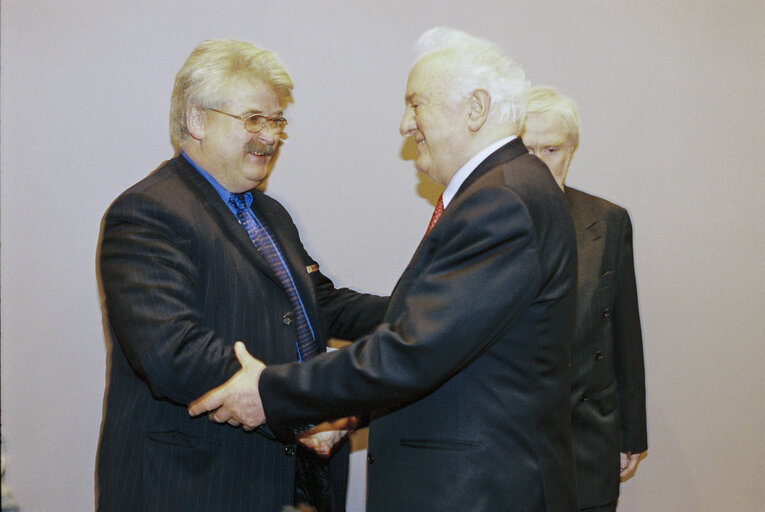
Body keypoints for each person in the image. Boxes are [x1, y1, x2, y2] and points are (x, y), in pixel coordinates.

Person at [190, 28, 579, 512]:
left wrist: (269, 389)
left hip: (477, 491)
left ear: (476, 109)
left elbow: (415, 349)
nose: (404, 124)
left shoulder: (500, 200)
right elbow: (445, 342)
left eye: (416, 104)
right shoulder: (513, 187)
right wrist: (351, 412)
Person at [96, 39, 386, 512]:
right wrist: (302, 409)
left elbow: (320, 306)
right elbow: (173, 353)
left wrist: (423, 311)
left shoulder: (269, 214)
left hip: (291, 481)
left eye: (276, 122)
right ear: (196, 120)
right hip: (198, 487)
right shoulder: (147, 214)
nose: (270, 136)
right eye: (254, 119)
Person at [521, 85, 648, 512]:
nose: (538, 163)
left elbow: (624, 330)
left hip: (587, 439)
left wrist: (631, 433)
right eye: (526, 150)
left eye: (551, 149)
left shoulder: (607, 221)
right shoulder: (482, 223)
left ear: (571, 150)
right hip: (509, 443)